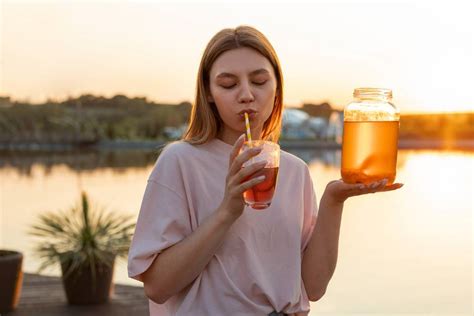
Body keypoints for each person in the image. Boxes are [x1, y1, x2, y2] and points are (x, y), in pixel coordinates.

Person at [128, 25, 403, 316]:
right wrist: (227, 211)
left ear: (276, 89)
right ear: (208, 93)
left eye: (259, 81)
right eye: (228, 84)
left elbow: (313, 286)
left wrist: (334, 200)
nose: (246, 95)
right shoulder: (180, 161)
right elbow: (157, 287)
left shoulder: (295, 171)